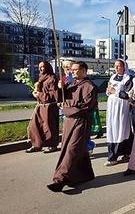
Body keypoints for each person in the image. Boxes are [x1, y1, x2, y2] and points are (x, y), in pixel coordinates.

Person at [47, 61, 97, 192]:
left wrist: (66, 108)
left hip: (81, 122)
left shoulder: (90, 86)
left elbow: (85, 107)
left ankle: (60, 179)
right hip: (69, 122)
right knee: (74, 149)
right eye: (71, 70)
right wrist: (60, 88)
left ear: (84, 71)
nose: (72, 72)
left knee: (72, 150)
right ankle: (86, 174)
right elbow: (59, 99)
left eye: (75, 70)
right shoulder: (70, 84)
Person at [105, 59, 134, 166]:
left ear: (124, 67)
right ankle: (120, 152)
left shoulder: (128, 78)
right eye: (115, 66)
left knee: (121, 128)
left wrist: (115, 92)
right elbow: (109, 90)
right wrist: (108, 91)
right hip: (112, 106)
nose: (116, 68)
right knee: (113, 128)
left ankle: (116, 154)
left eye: (118, 66)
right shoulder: (112, 77)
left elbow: (128, 95)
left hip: (121, 106)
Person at [26, 61, 59, 154]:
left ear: (47, 67)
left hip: (49, 106)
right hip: (41, 106)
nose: (40, 69)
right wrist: (35, 93)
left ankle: (52, 145)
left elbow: (54, 94)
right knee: (34, 125)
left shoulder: (52, 79)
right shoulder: (41, 78)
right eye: (39, 67)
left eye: (43, 67)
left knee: (48, 126)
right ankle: (37, 144)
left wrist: (40, 95)